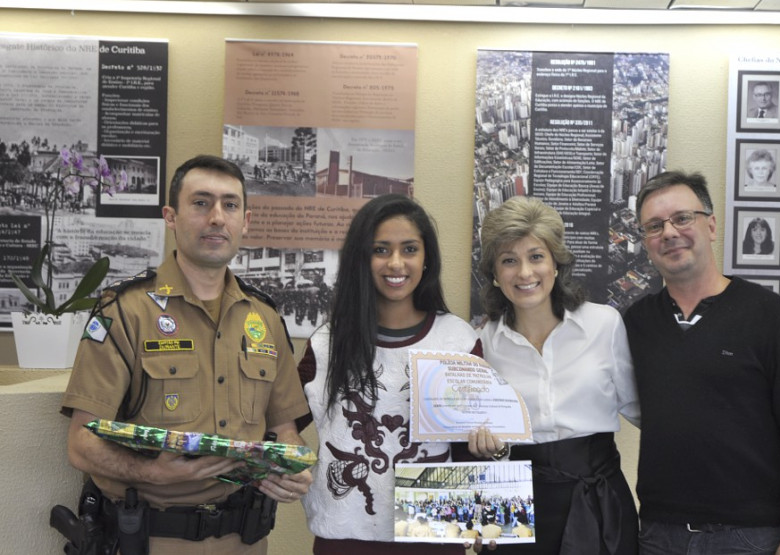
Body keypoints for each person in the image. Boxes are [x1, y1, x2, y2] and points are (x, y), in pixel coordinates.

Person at [61, 155, 313, 554]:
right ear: (171, 216)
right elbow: (81, 444)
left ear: (245, 221)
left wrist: (292, 468)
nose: (217, 217)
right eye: (201, 203)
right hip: (155, 538)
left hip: (247, 540)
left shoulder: (263, 317)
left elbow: (284, 428)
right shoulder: (125, 311)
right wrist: (151, 472)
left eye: (230, 205)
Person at [623, 171, 780, 555]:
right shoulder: (635, 323)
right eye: (654, 226)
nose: (669, 233)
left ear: (711, 226)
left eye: (682, 218)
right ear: (645, 242)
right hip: (659, 534)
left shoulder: (768, 315)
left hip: (751, 537)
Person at [297, 194, 485, 555]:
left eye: (409, 249)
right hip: (346, 535)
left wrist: (479, 517)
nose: (396, 263)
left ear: (427, 257)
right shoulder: (327, 343)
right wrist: (291, 460)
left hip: (431, 533)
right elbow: (283, 422)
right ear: (360, 258)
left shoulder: (458, 339)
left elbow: (470, 446)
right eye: (380, 249)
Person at [469, 195, 640, 555]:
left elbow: (642, 410)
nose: (525, 273)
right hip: (515, 501)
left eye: (536, 257)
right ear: (496, 275)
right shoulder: (483, 343)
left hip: (598, 496)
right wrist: (486, 449)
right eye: (509, 261)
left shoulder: (604, 325)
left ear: (556, 264)